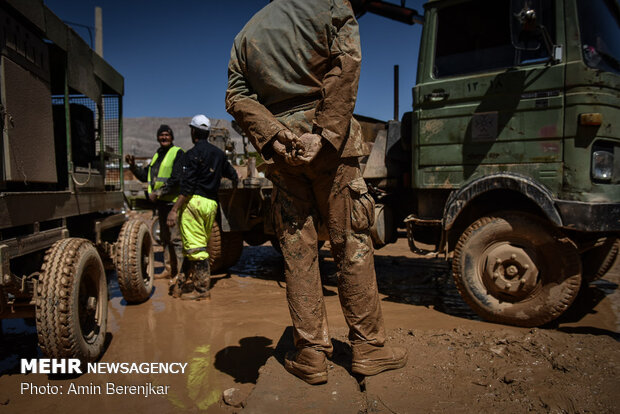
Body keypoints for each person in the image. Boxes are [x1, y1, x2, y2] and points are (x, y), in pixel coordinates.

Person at [226, 0, 406, 385]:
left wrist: (274, 137)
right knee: (351, 244)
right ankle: (370, 349)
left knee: (298, 250)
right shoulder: (330, 6)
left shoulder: (247, 33)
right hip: (332, 146)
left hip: (282, 151)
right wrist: (323, 134)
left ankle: (310, 353)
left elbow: (237, 97)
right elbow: (346, 68)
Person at [166, 115, 239, 301]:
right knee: (193, 248)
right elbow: (233, 176)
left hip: (194, 205)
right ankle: (180, 286)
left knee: (196, 250)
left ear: (193, 131)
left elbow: (188, 186)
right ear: (207, 133)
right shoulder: (219, 154)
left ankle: (202, 291)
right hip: (211, 205)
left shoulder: (191, 154)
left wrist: (174, 209)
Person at [126, 124, 184, 280]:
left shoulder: (177, 153)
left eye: (167, 135)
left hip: (173, 204)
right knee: (165, 239)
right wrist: (133, 167)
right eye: (161, 135)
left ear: (172, 137)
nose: (164, 137)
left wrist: (158, 193)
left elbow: (177, 178)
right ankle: (169, 269)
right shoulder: (157, 155)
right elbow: (147, 176)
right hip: (162, 204)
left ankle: (180, 273)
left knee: (176, 239)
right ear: (158, 138)